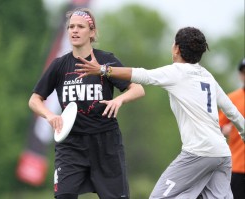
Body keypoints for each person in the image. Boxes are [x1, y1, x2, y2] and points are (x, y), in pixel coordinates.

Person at [76, 27, 245, 199]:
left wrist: (103, 70)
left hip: (199, 152)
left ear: (177, 48)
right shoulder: (207, 76)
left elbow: (141, 75)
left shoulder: (177, 72)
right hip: (222, 154)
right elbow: (232, 111)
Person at [28, 7, 145, 199]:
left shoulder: (106, 61)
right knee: (63, 195)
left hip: (106, 143)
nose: (74, 30)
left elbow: (138, 89)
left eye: (80, 27)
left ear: (92, 32)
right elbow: (34, 100)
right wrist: (49, 115)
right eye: (71, 26)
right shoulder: (59, 66)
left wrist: (119, 100)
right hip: (71, 144)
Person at [218, 58, 245, 199]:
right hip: (238, 166)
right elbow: (216, 127)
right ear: (241, 75)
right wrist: (223, 130)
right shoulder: (232, 99)